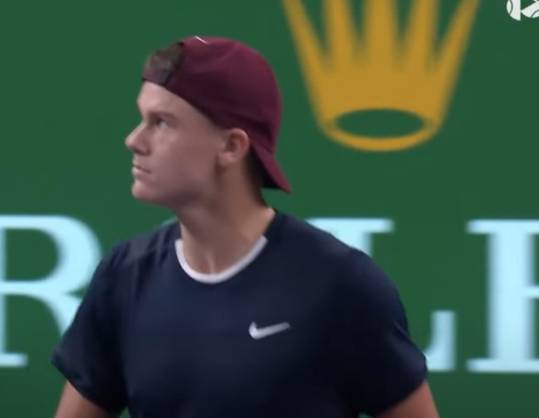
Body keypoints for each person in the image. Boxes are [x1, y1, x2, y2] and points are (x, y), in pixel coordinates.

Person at [50, 35, 438, 418]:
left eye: (162, 123)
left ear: (232, 147)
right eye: (143, 119)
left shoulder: (343, 286)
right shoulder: (125, 275)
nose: (134, 140)